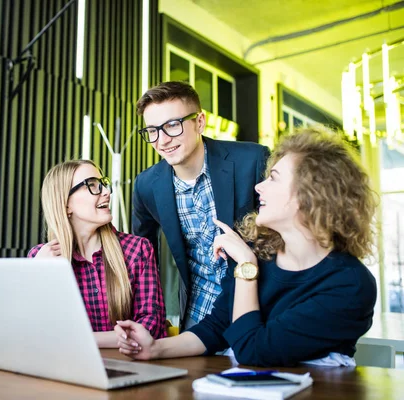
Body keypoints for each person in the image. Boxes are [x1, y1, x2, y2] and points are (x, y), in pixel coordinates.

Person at [115, 127, 377, 367]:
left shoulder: (350, 284)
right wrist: (155, 349)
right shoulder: (259, 251)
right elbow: (217, 326)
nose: (258, 187)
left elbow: (253, 350)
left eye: (273, 179)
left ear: (311, 195)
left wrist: (246, 267)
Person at [132, 81, 270, 329]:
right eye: (152, 130)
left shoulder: (252, 160)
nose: (162, 140)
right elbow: (142, 255)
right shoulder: (146, 185)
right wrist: (150, 315)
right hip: (200, 311)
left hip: (260, 305)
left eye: (172, 125)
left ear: (200, 122)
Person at [28, 160, 167, 348]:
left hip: (130, 368)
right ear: (65, 203)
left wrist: (82, 340)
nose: (107, 192)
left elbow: (152, 327)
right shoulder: (40, 258)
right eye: (92, 185)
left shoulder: (138, 250)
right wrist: (39, 276)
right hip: (65, 370)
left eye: (103, 184)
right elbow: (34, 331)